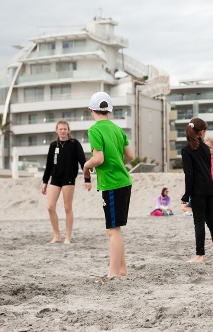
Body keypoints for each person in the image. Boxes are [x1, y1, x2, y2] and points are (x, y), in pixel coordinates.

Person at [84, 91, 134, 279]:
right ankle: (122, 270)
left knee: (112, 231)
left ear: (91, 110)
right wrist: (117, 162)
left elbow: (98, 158)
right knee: (116, 229)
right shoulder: (117, 129)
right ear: (109, 111)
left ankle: (112, 273)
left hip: (112, 183)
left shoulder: (95, 129)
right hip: (124, 181)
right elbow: (130, 156)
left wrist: (86, 166)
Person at [41, 120, 92, 244]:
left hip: (68, 179)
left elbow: (83, 162)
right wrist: (45, 181)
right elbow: (48, 164)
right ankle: (57, 235)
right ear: (56, 130)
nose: (63, 131)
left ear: (68, 130)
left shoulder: (74, 144)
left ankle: (67, 237)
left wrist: (87, 179)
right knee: (50, 207)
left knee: (67, 207)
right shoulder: (53, 145)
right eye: (60, 129)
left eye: (65, 129)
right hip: (55, 179)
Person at [181, 118, 213, 262]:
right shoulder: (205, 148)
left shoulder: (186, 150)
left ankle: (200, 255)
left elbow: (189, 175)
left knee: (199, 221)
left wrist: (186, 195)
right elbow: (206, 169)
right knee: (210, 219)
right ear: (201, 132)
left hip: (198, 190)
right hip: (210, 187)